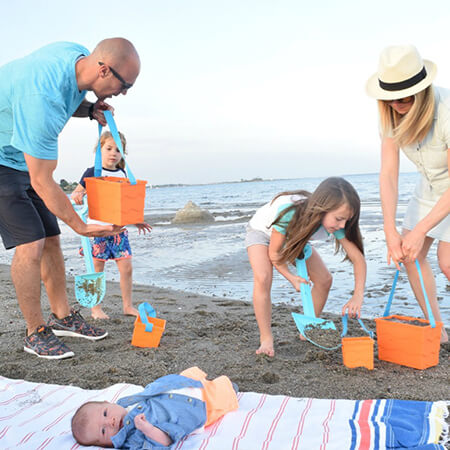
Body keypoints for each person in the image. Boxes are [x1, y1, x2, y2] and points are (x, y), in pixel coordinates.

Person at [0, 38, 141, 359]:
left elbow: (68, 98)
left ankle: (62, 317)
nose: (124, 92)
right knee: (30, 243)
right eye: (125, 85)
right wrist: (82, 226)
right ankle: (34, 331)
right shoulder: (41, 100)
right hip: (3, 162)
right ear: (104, 69)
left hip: (19, 154)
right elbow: (43, 179)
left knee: (51, 237)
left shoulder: (75, 57)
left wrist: (90, 109)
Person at [366, 44, 449, 343]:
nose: (398, 102)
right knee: (409, 254)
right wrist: (389, 228)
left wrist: (422, 229)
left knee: (448, 261)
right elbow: (389, 172)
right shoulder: (389, 114)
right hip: (429, 186)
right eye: (390, 97)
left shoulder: (447, 110)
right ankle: (437, 331)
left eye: (405, 95)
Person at [245, 177, 366, 357]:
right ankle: (266, 338)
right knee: (263, 277)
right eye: (339, 219)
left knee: (324, 280)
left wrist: (357, 295)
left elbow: (358, 259)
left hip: (295, 235)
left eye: (346, 221)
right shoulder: (289, 213)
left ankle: (309, 329)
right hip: (263, 233)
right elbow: (275, 255)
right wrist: (291, 277)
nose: (342, 225)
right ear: (323, 209)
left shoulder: (335, 223)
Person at [71, 130, 152, 319]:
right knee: (97, 270)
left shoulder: (123, 173)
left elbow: (124, 204)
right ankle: (96, 309)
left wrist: (136, 220)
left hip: (118, 231)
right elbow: (77, 192)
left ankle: (127, 306)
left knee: (126, 268)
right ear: (99, 150)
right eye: (108, 148)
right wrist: (77, 195)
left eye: (118, 149)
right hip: (97, 230)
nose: (113, 153)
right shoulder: (92, 172)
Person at [71, 366, 239, 448]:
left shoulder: (124, 403)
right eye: (103, 431)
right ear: (105, 445)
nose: (111, 422)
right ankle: (230, 389)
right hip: (194, 408)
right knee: (226, 391)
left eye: (106, 413)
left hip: (177, 387)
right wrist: (147, 429)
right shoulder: (133, 440)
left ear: (108, 403)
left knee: (194, 378)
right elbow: (164, 442)